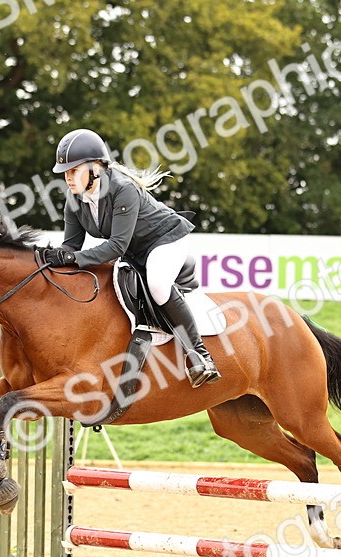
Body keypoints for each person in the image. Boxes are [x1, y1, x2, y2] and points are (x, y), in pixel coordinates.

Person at [38, 128, 220, 387]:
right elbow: (71, 246)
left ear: (96, 168)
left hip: (165, 239)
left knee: (158, 285)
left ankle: (200, 356)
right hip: (135, 251)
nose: (68, 178)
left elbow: (116, 246)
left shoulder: (123, 189)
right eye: (65, 173)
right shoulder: (74, 201)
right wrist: (57, 257)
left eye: (73, 171)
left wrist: (73, 257)